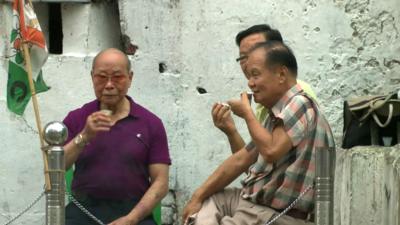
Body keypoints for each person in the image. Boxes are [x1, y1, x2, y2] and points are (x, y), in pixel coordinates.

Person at [182, 41, 335, 225]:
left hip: (274, 214)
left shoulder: (300, 103)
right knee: (208, 202)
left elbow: (271, 151)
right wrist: (197, 196)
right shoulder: (276, 114)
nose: (250, 83)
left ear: (281, 74)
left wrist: (247, 112)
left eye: (255, 75)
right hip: (252, 203)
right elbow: (241, 160)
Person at [62, 48, 171, 225]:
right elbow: (55, 167)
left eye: (118, 77)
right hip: (83, 210)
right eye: (102, 77)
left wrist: (131, 219)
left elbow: (161, 181)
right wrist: (84, 136)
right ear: (92, 77)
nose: (109, 85)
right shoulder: (78, 118)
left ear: (130, 78)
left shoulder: (150, 123)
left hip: (133, 212)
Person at [212, 24, 318, 154]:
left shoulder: (299, 96)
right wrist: (231, 132)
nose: (248, 61)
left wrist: (246, 113)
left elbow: (270, 152)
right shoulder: (266, 103)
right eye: (243, 57)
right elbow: (255, 164)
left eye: (256, 51)